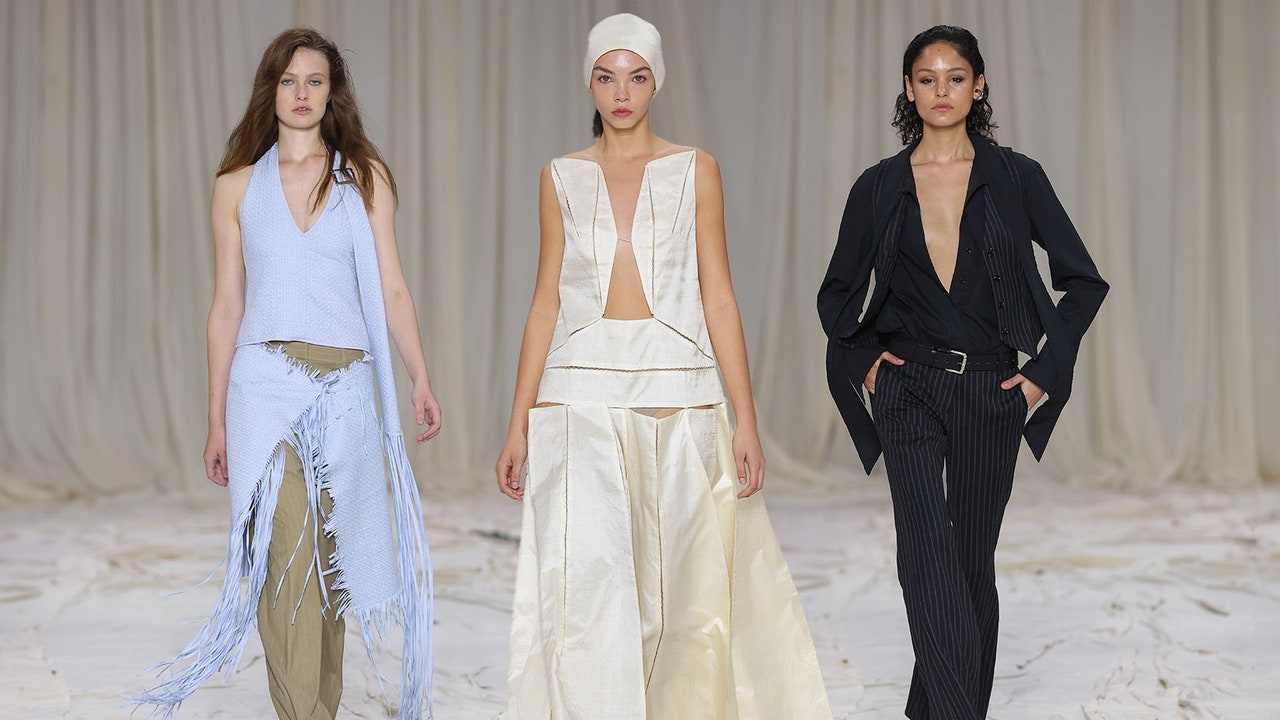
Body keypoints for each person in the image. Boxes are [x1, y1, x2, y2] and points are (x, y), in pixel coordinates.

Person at [495, 13, 832, 720]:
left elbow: (718, 295)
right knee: (585, 596)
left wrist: (746, 418)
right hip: (577, 394)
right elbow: (546, 301)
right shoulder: (560, 177)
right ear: (589, 82)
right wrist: (518, 423)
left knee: (683, 599)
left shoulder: (695, 170)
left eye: (637, 76)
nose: (621, 93)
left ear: (656, 83)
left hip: (679, 391)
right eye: (606, 77)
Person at [129, 28, 438, 720]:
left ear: (332, 92)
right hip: (263, 388)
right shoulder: (236, 187)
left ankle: (317, 708)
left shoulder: (365, 178)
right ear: (270, 90)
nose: (301, 93)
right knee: (286, 562)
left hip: (347, 389)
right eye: (289, 80)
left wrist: (419, 376)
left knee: (330, 564)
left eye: (315, 81)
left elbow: (391, 286)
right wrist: (215, 419)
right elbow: (226, 305)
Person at [818, 25, 1108, 720]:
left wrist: (1043, 374)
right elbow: (836, 294)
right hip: (907, 386)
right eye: (927, 78)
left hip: (991, 388)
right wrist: (865, 365)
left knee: (970, 565)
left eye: (955, 78)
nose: (941, 91)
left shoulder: (1017, 178)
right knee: (925, 551)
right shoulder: (879, 186)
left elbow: (1083, 281)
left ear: (978, 86)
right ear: (908, 88)